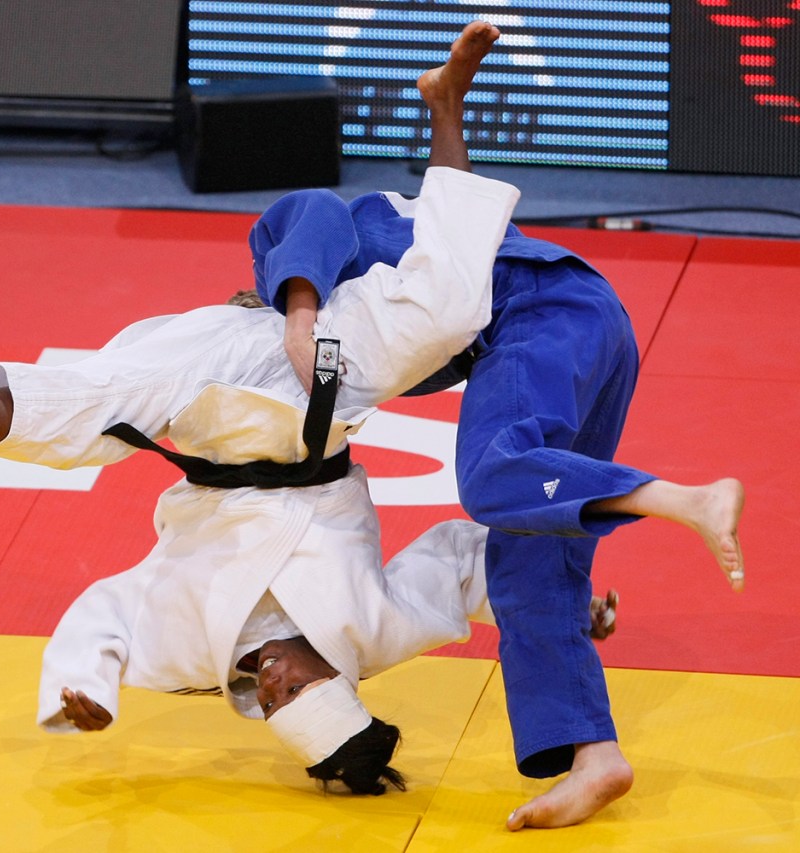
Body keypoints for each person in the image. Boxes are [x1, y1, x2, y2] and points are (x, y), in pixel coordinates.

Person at [0, 22, 542, 796]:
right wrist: (564, 594)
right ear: (340, 682)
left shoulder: (190, 652)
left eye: (273, 705)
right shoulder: (371, 632)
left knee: (102, 407)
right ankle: (447, 105)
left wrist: (88, 691)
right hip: (322, 397)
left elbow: (103, 613)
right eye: (302, 689)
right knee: (448, 311)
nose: (276, 685)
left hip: (216, 415)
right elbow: (463, 562)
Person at [248, 23, 746, 829]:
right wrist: (448, 108)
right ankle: (595, 754)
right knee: (526, 560)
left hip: (536, 313)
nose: (276, 679)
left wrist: (297, 313)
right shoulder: (407, 255)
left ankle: (686, 498)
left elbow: (303, 211)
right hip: (576, 319)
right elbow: (454, 219)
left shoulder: (301, 277)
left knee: (488, 472)